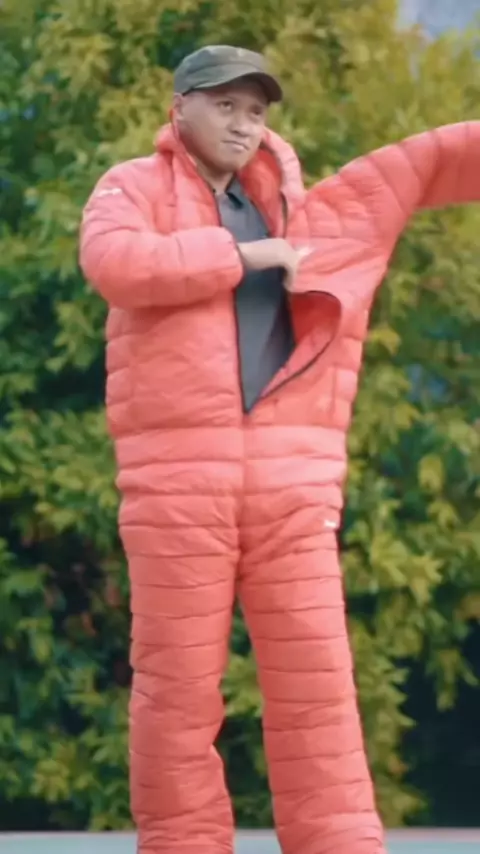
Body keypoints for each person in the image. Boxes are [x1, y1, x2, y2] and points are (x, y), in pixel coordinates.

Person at [79, 44, 480, 854]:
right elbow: (114, 263)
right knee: (176, 693)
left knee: (317, 690)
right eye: (225, 105)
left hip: (293, 487)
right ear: (180, 107)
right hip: (177, 487)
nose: (243, 124)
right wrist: (240, 257)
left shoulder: (311, 214)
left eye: (256, 112)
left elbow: (428, 161)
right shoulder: (133, 185)